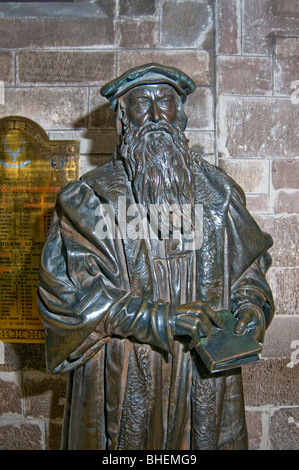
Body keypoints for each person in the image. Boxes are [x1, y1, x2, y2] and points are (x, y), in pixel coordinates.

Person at [38, 63, 274, 450]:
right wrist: (160, 318)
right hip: (125, 365)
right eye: (140, 103)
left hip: (201, 372)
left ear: (180, 113)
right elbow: (70, 299)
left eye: (164, 101)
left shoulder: (219, 193)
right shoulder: (89, 201)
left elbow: (248, 270)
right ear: (122, 118)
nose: (153, 115)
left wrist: (251, 306)